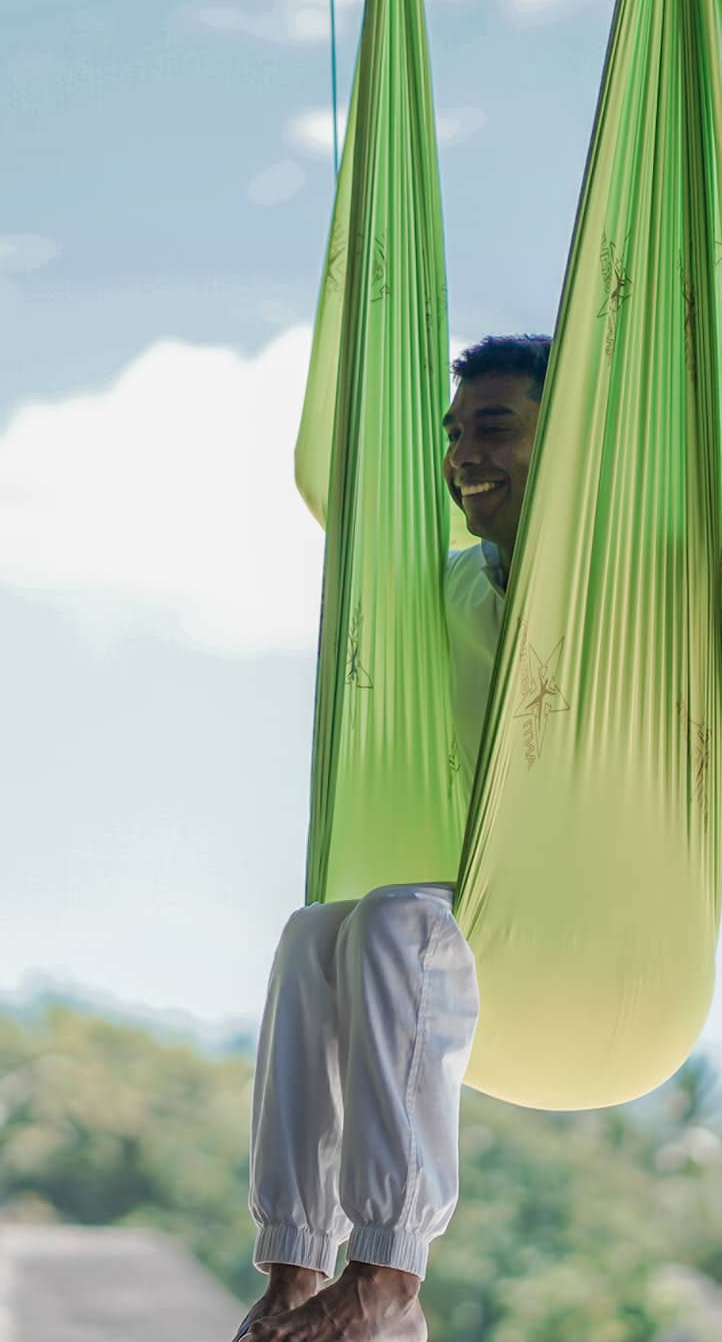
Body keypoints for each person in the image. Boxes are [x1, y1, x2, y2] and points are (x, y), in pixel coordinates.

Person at [235, 335, 551, 1342]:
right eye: (453, 436)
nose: (463, 454)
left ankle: (388, 1278)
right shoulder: (449, 590)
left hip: (599, 906)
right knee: (314, 932)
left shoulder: (626, 585)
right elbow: (360, 529)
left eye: (493, 428)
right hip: (493, 907)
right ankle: (294, 1265)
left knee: (391, 925)